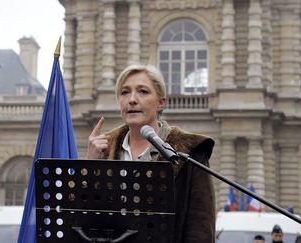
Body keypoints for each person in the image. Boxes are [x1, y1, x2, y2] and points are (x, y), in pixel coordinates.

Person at [87, 64, 215, 242]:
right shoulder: (103, 149)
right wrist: (90, 166)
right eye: (125, 92)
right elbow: (82, 218)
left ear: (160, 103)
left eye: (143, 92)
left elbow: (200, 229)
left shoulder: (190, 152)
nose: (132, 99)